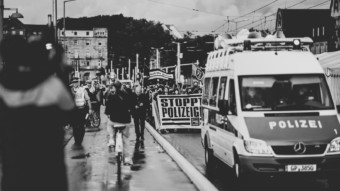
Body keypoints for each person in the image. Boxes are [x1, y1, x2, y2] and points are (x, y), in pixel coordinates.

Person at [0, 36, 74, 191]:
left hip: (14, 170)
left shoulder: (2, 87)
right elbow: (70, 111)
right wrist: (61, 71)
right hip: (49, 169)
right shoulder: (52, 86)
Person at [105, 80, 133, 165]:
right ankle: (127, 158)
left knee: (109, 125)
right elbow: (131, 106)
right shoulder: (127, 95)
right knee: (126, 139)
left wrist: (108, 114)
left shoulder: (111, 96)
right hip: (125, 121)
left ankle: (111, 139)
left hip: (114, 120)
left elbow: (107, 110)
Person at [70, 78, 93, 148]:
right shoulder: (70, 90)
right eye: (74, 82)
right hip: (73, 111)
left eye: (76, 82)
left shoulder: (83, 90)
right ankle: (76, 140)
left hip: (81, 110)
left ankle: (80, 140)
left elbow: (88, 99)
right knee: (74, 126)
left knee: (81, 126)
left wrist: (90, 109)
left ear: (78, 83)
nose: (75, 84)